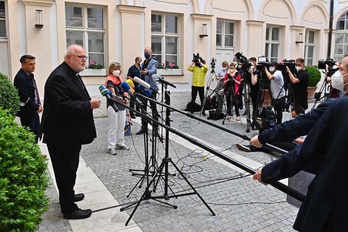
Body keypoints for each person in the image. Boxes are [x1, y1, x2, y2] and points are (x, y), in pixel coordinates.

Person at [253, 57, 348, 231]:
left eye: (341, 70)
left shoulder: (339, 107)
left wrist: (269, 171)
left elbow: (308, 150)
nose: (336, 74)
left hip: (334, 205)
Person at [40, 44, 101, 220]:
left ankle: (67, 194)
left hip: (69, 134)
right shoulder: (59, 77)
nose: (84, 60)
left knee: (69, 168)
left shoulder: (71, 73)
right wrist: (89, 105)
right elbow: (63, 106)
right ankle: (69, 209)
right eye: (80, 56)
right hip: (61, 136)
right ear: (68, 58)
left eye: (85, 57)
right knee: (65, 170)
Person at [236, 106, 305, 152]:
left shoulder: (304, 124)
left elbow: (305, 141)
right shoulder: (297, 121)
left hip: (297, 146)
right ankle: (253, 146)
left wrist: (292, 138)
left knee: (277, 143)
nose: (291, 113)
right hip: (290, 140)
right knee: (274, 138)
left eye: (293, 111)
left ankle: (252, 147)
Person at [14, 55, 43, 143]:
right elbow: (24, 97)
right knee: (29, 135)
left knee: (37, 132)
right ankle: (32, 155)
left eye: (34, 64)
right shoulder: (20, 77)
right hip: (27, 111)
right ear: (23, 65)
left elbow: (34, 90)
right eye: (30, 64)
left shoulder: (30, 75)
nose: (33, 66)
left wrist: (38, 103)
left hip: (33, 109)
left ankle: (36, 154)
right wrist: (36, 107)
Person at [105, 62, 130, 155]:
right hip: (113, 105)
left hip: (121, 105)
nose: (117, 70)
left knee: (121, 125)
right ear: (111, 70)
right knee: (113, 126)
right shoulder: (109, 80)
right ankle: (111, 146)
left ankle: (120, 142)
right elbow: (113, 94)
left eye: (118, 68)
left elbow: (124, 90)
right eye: (115, 68)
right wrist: (119, 99)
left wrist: (126, 97)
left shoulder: (119, 78)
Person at [136, 47, 159, 135]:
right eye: (145, 52)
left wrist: (147, 72)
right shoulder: (142, 63)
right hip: (143, 88)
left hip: (151, 89)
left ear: (151, 53)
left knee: (154, 109)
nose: (146, 53)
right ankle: (144, 127)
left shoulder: (154, 62)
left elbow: (154, 70)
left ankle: (155, 129)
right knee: (143, 109)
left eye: (148, 52)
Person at [248, 57, 260, 129]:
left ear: (255, 62)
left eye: (252, 62)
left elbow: (253, 82)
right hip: (252, 91)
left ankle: (255, 120)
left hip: (257, 91)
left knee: (256, 106)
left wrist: (252, 73)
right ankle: (254, 119)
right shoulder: (251, 70)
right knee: (254, 106)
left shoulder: (257, 71)